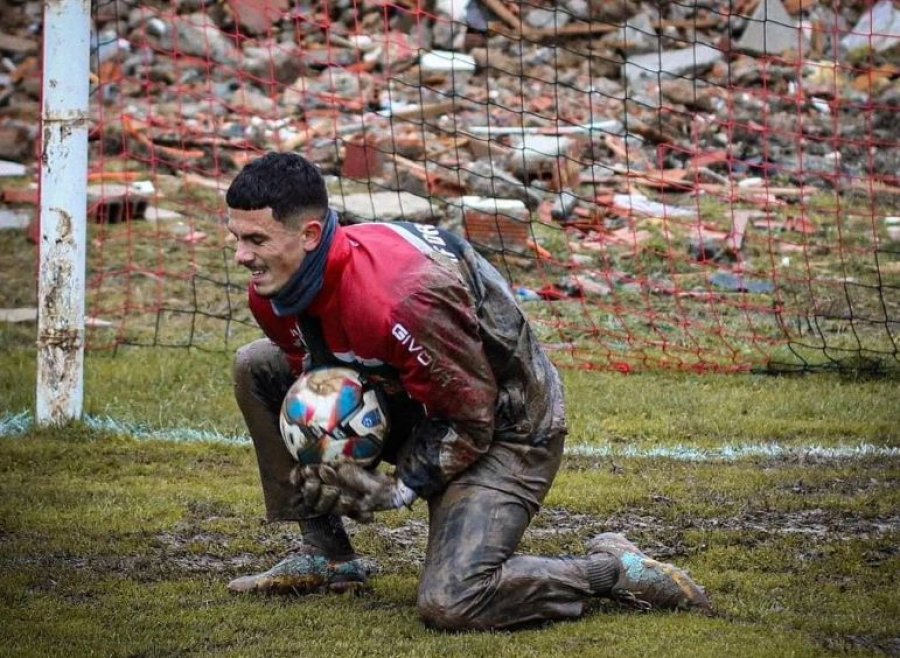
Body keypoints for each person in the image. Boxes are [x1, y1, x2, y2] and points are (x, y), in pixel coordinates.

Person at [224, 152, 712, 630]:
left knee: (453, 600)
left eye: (256, 240)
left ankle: (612, 568)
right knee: (257, 368)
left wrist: (399, 487)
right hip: (418, 400)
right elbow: (315, 379)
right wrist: (329, 450)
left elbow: (472, 418)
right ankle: (327, 557)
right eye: (236, 238)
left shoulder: (401, 298)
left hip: (507, 425)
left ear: (309, 235)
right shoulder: (274, 290)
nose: (241, 255)